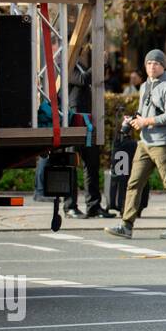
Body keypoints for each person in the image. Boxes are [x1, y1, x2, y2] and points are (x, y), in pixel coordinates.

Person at [106, 50, 166, 240]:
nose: (152, 66)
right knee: (134, 183)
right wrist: (133, 119)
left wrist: (146, 121)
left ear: (163, 65)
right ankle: (126, 225)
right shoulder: (144, 86)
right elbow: (143, 111)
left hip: (164, 144)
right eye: (149, 63)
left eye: (156, 63)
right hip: (145, 142)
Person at [65, 54, 105, 219]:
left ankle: (94, 206)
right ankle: (70, 206)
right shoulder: (65, 64)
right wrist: (98, 64)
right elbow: (82, 79)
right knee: (71, 164)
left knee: (92, 163)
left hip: (89, 116)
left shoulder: (80, 63)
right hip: (75, 117)